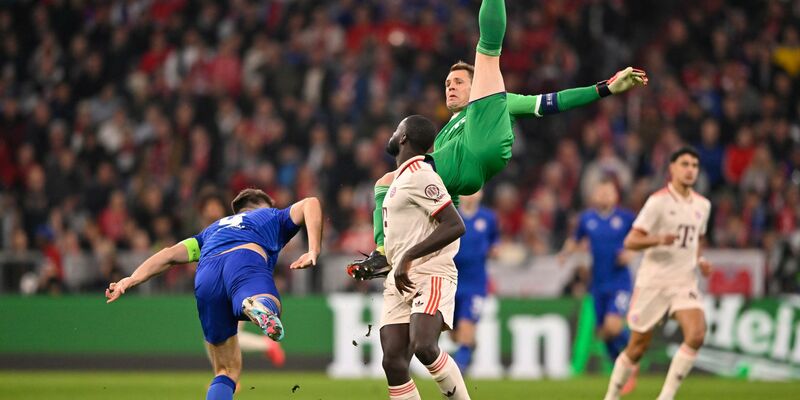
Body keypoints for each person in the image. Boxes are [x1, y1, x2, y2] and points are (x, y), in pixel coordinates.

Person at [348, 0, 649, 275]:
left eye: (458, 82)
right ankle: (382, 252)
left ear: (474, 85)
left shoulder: (498, 100)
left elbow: (554, 101)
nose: (450, 87)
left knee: (488, 53)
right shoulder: (443, 136)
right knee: (385, 182)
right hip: (466, 172)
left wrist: (605, 88)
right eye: (446, 83)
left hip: (486, 140)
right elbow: (442, 193)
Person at [106, 188, 322, 400]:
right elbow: (310, 202)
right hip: (245, 259)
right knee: (272, 306)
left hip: (206, 274)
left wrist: (131, 279)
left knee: (226, 371)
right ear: (261, 206)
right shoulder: (271, 216)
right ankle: (258, 305)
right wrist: (313, 250)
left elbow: (169, 255)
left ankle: (252, 306)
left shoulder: (212, 230)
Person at [603, 147, 713, 400]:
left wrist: (701, 260)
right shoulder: (658, 202)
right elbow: (631, 241)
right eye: (685, 164)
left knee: (696, 334)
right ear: (672, 169)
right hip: (654, 281)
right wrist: (658, 239)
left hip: (684, 281)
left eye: (695, 166)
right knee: (637, 348)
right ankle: (611, 396)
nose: (690, 170)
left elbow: (697, 240)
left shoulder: (702, 205)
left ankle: (666, 396)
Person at [377, 115, 469, 400]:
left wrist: (408, 257)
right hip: (399, 277)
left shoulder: (421, 174)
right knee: (393, 361)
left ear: (403, 138)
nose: (393, 133)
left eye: (396, 129)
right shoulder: (401, 178)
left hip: (430, 272)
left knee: (424, 346)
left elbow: (455, 224)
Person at [559, 178, 637, 392]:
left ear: (616, 196)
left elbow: (641, 237)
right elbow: (575, 240)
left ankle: (635, 352)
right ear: (594, 196)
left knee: (613, 326)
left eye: (608, 192)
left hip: (619, 282)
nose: (604, 195)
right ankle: (621, 370)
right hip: (598, 284)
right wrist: (566, 253)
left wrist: (631, 252)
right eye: (600, 191)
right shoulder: (587, 219)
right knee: (604, 333)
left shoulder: (626, 218)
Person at [197, 191, 285, 367]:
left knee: (225, 337)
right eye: (209, 206)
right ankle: (228, 375)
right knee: (220, 338)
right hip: (223, 282)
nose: (212, 210)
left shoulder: (228, 228)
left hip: (234, 282)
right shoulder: (210, 232)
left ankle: (229, 376)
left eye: (215, 206)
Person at [449, 190, 498, 372]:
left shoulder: (488, 218)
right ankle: (468, 345)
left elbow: (495, 240)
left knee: (466, 325)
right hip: (452, 280)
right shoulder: (451, 215)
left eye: (474, 191)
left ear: (481, 193)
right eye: (466, 191)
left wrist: (495, 250)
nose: (470, 195)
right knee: (454, 334)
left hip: (476, 283)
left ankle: (460, 369)